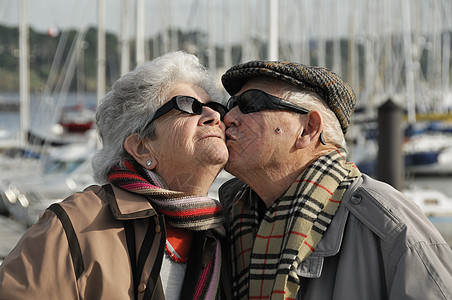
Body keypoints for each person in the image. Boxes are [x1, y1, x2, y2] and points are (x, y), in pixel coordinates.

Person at [0, 51, 231, 300]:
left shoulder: (229, 231)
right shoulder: (73, 226)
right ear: (142, 148)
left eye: (215, 107)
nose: (214, 117)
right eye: (189, 106)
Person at [218, 60, 452, 299]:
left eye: (250, 104)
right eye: (231, 105)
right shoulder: (229, 219)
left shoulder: (387, 224)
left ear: (308, 129)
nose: (228, 118)